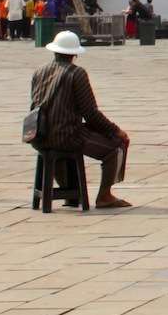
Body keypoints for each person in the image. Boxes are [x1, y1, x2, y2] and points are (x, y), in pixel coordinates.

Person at [30, 30, 131, 209]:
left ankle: (70, 192)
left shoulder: (39, 72)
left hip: (39, 135)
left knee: (61, 141)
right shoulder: (76, 74)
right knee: (117, 146)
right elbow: (91, 114)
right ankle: (104, 195)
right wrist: (116, 131)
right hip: (67, 136)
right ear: (74, 54)